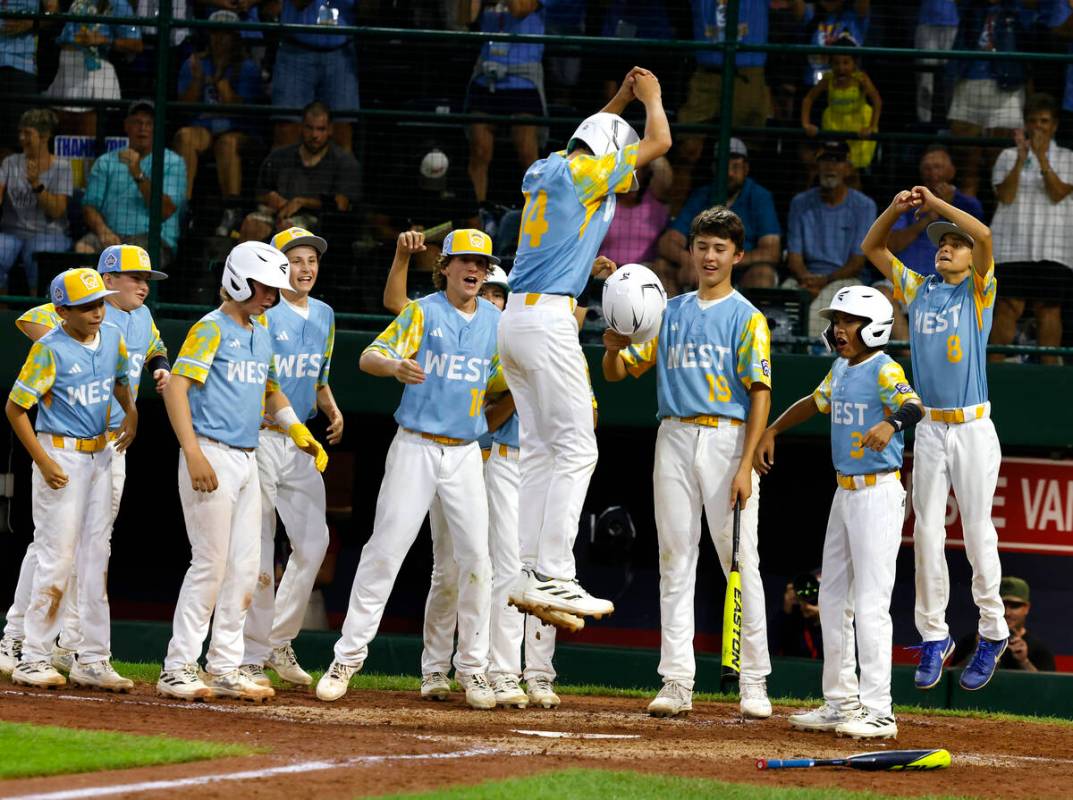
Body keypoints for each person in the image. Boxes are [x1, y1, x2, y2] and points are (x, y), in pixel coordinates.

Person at [499, 67, 671, 625]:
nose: (628, 178)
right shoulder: (591, 171)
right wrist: (651, 98)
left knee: (544, 448)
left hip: (516, 319)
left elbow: (589, 135)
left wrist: (619, 96)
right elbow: (661, 143)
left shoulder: (548, 166)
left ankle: (527, 570)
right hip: (548, 320)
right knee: (578, 448)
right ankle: (555, 573)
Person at [315, 229, 503, 709]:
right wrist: (395, 367)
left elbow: (513, 378)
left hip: (464, 452)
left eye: (481, 264)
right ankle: (346, 660)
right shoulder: (423, 311)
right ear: (445, 266)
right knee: (385, 551)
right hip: (416, 445)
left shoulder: (497, 322)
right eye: (464, 261)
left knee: (476, 560)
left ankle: (474, 670)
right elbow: (368, 356)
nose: (473, 270)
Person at [382, 231, 567, 710]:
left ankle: (482, 669)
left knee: (484, 569)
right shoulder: (448, 319)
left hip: (483, 463)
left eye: (496, 292)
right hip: (466, 456)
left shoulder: (506, 337)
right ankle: (433, 669)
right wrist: (403, 257)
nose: (490, 297)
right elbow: (400, 304)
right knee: (448, 569)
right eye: (486, 289)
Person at [602, 207, 773, 720]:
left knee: (740, 561)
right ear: (691, 251)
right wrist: (612, 344)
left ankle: (755, 681)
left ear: (738, 256)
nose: (710, 256)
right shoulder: (668, 311)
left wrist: (746, 465)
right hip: (673, 434)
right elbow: (618, 372)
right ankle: (676, 680)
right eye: (702, 246)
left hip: (727, 437)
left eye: (720, 248)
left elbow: (760, 391)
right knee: (675, 559)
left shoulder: (748, 316)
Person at [157, 241, 328, 702]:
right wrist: (192, 452)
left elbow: (272, 390)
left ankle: (226, 666)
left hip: (249, 456)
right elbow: (175, 389)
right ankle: (177, 667)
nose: (271, 296)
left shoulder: (261, 330)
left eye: (275, 289)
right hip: (212, 452)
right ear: (238, 280)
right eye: (264, 287)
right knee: (210, 564)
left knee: (246, 567)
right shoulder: (210, 328)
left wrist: (297, 432)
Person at [861, 185, 1010, 693]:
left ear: (970, 256)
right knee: (925, 533)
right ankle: (934, 636)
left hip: (971, 426)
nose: (945, 245)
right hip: (929, 426)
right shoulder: (918, 287)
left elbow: (985, 233)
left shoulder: (979, 289)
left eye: (955, 242)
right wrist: (897, 207)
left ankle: (992, 631)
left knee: (975, 532)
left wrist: (939, 207)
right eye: (940, 241)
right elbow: (872, 249)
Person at [758, 285, 924, 740]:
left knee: (871, 604)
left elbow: (914, 406)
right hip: (844, 492)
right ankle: (840, 701)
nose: (838, 330)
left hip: (878, 493)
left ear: (873, 327)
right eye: (837, 322)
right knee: (832, 598)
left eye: (848, 322)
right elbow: (814, 402)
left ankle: (879, 710)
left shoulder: (884, 368)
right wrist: (773, 428)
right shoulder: (841, 368)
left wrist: (890, 423)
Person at [0, 245, 169, 681]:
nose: (96, 312)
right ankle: (26, 648)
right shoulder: (54, 342)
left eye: (97, 305)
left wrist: (132, 410)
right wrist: (62, 348)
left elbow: (123, 373)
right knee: (55, 553)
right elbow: (16, 404)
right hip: (59, 451)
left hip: (105, 449)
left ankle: (88, 656)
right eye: (86, 306)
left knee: (96, 555)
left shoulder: (122, 328)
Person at [240, 227, 342, 688]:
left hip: (301, 442)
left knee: (314, 543)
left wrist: (333, 410)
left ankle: (276, 641)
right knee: (258, 549)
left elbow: (318, 377)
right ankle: (249, 653)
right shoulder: (260, 314)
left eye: (311, 260)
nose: (306, 268)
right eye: (296, 260)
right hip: (262, 436)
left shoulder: (324, 314)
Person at [988, 94, 1073, 365]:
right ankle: (992, 377)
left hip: (1054, 246)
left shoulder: (1067, 157)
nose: (1038, 126)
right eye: (1033, 121)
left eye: (1044, 121)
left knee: (1048, 309)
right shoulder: (1007, 156)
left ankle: (1050, 376)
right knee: (1006, 307)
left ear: (1054, 126)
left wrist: (1041, 159)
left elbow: (1059, 192)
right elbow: (1006, 195)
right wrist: (1021, 158)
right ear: (1025, 124)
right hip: (1011, 245)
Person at [174, 9, 265, 234]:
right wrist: (197, 81)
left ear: (235, 37)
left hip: (240, 132)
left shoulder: (248, 67)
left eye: (225, 34)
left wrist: (221, 83)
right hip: (205, 128)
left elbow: (246, 110)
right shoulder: (194, 63)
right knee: (185, 136)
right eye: (215, 33)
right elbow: (183, 107)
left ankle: (231, 211)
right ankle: (183, 208)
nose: (219, 39)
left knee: (227, 143)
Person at [671, 0, 770, 205]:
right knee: (687, 149)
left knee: (744, 153)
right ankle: (673, 218)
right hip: (706, 70)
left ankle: (742, 218)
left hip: (747, 70)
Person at [656, 138, 781, 295]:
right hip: (701, 269)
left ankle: (746, 320)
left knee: (763, 273)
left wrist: (724, 263)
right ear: (714, 168)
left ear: (746, 169)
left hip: (742, 270)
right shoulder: (701, 195)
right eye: (724, 167)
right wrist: (689, 261)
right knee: (662, 266)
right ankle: (673, 319)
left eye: (735, 167)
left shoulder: (760, 196)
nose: (729, 173)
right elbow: (667, 242)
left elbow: (771, 251)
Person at [76, 100, 187, 271]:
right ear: (126, 126)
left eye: (149, 123)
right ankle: (92, 298)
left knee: (130, 261)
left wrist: (137, 172)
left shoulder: (173, 162)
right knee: (83, 248)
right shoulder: (106, 161)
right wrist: (103, 231)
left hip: (153, 239)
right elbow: (89, 206)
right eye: (137, 122)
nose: (143, 128)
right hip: (111, 235)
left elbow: (165, 211)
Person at [784, 140, 876, 336]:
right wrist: (806, 279)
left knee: (818, 313)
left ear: (848, 169)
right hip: (804, 276)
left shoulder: (864, 206)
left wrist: (823, 281)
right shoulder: (800, 203)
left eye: (838, 160)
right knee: (782, 299)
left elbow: (857, 262)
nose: (830, 166)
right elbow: (794, 257)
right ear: (816, 166)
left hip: (845, 279)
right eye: (825, 160)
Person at [461, 0, 548, 206]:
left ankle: (538, 214)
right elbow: (465, 18)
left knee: (527, 153)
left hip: (522, 80)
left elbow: (520, 9)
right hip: (486, 77)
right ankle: (477, 215)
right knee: (479, 150)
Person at [239, 102, 361, 245]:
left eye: (320, 129)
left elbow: (341, 204)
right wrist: (270, 197)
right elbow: (259, 192)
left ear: (330, 130)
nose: (314, 135)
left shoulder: (344, 162)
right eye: (309, 128)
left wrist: (301, 202)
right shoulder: (279, 157)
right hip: (277, 214)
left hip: (319, 221)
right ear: (301, 127)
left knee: (289, 232)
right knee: (252, 224)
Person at [947, 0, 1027, 197]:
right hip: (968, 86)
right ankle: (965, 225)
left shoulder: (1017, 13)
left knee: (999, 169)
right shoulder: (969, 10)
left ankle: (999, 225)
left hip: (1006, 89)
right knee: (968, 169)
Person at [0, 109, 73, 295]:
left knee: (38, 259)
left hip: (49, 233)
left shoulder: (62, 166)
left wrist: (35, 184)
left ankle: (39, 312)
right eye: (20, 133)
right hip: (12, 231)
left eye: (27, 133)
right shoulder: (10, 163)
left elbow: (57, 211)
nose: (22, 138)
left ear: (44, 136)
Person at [45, 0, 143, 137]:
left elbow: (137, 44)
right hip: (66, 72)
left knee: (87, 143)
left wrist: (104, 40)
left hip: (94, 76)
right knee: (65, 144)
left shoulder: (119, 4)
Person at [272, 0, 358, 151]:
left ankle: (339, 175)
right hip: (296, 49)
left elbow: (370, 9)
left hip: (341, 52)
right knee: (287, 131)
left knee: (341, 131)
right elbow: (299, 3)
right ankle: (284, 174)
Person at [888, 146, 984, 279]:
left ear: (952, 171)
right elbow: (892, 245)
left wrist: (947, 208)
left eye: (938, 167)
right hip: (906, 279)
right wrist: (927, 219)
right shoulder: (909, 203)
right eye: (927, 168)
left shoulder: (968, 204)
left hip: (950, 284)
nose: (932, 173)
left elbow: (979, 241)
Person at [800, 35, 881, 171]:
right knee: (834, 166)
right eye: (836, 63)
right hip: (834, 126)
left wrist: (871, 127)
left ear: (854, 63)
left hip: (858, 127)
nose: (841, 68)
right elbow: (808, 99)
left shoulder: (861, 79)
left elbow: (877, 101)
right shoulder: (828, 79)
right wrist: (806, 124)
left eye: (845, 62)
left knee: (853, 171)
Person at [952, 577, 1056, 673]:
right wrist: (976, 655)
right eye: (1001, 605)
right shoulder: (971, 642)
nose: (1007, 613)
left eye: (1015, 606)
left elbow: (1048, 689)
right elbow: (951, 682)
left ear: (1026, 608)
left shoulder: (1039, 649)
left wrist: (1024, 661)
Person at [597, 157, 672, 270]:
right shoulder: (604, 201)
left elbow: (664, 175)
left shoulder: (656, 202)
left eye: (636, 168)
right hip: (606, 271)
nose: (630, 173)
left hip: (646, 271)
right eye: (626, 168)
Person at [773, 572, 823, 659]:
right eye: (802, 589)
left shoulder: (828, 622)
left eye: (814, 590)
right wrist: (786, 611)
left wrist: (821, 620)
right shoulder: (788, 620)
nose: (807, 593)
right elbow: (772, 649)